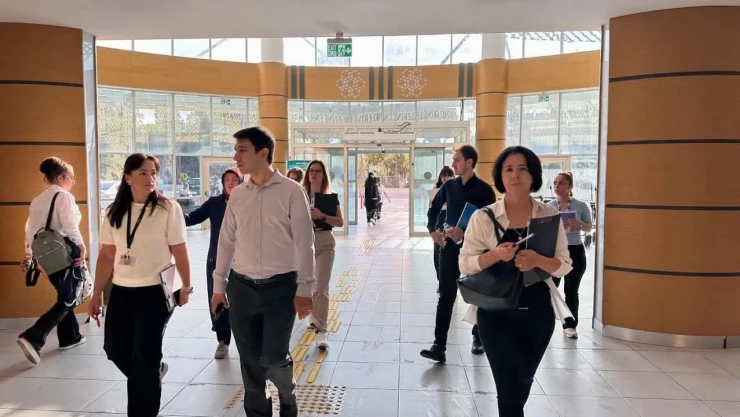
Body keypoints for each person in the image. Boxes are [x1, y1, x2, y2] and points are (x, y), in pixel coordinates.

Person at [460, 146, 572, 417]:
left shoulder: (549, 216)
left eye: (522, 169)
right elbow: (465, 264)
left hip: (538, 311)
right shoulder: (483, 217)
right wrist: (495, 255)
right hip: (495, 310)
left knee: (522, 380)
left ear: (533, 175)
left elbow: (564, 265)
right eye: (508, 169)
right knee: (507, 387)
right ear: (500, 176)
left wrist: (537, 260)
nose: (515, 175)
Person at [211, 127, 315, 417]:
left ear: (263, 153)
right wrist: (219, 287)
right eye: (236, 151)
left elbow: (305, 243)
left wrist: (305, 289)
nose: (236, 157)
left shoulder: (291, 191)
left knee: (273, 357)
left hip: (281, 288)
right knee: (249, 360)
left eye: (242, 150)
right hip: (241, 288)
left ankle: (287, 397)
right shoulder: (237, 195)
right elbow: (226, 241)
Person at [89, 153, 193, 417]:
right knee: (114, 349)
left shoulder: (168, 208)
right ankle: (151, 374)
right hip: (121, 291)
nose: (150, 178)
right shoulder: (114, 212)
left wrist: (186, 286)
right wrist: (96, 293)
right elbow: (106, 256)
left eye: (154, 173)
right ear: (128, 177)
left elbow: (179, 250)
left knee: (145, 356)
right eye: (143, 173)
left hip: (155, 292)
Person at [421, 145, 496, 362]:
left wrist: (466, 232)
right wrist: (433, 231)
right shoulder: (449, 186)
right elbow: (434, 209)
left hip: (476, 251)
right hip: (450, 248)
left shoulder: (485, 190)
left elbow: (492, 223)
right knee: (446, 295)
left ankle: (478, 337)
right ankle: (439, 345)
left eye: (457, 160)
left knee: (478, 294)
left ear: (469, 162)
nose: (453, 163)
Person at [17, 157, 87, 364]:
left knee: (65, 294)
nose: (74, 181)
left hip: (45, 255)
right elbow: (70, 226)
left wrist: (29, 255)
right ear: (61, 177)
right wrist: (82, 246)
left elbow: (30, 231)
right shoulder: (63, 196)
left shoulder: (37, 200)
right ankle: (33, 337)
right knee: (69, 297)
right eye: (72, 177)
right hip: (64, 252)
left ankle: (70, 337)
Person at [184, 167, 243, 358]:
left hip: (243, 261)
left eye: (235, 180)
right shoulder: (214, 203)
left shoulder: (248, 201)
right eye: (227, 180)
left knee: (241, 302)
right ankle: (223, 340)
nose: (230, 183)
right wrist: (171, 213)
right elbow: (191, 219)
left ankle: (245, 342)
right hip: (216, 260)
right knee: (217, 299)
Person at [302, 160, 343, 350]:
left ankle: (322, 330)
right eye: (311, 171)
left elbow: (340, 222)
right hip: (304, 242)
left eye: (318, 171)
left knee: (321, 287)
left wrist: (322, 216)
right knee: (306, 285)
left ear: (323, 175)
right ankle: (312, 318)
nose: (314, 174)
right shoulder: (299, 195)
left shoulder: (330, 198)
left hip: (325, 241)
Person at [549, 171, 592, 339]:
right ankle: (546, 323)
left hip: (575, 250)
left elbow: (589, 227)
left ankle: (570, 325)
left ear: (570, 186)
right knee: (550, 289)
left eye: (561, 183)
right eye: (555, 183)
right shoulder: (549, 206)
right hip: (555, 252)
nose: (557, 186)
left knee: (571, 290)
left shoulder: (581, 206)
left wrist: (580, 224)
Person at [430, 166, 454, 287]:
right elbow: (431, 206)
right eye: (443, 175)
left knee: (451, 248)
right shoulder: (436, 189)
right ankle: (440, 280)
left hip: (451, 219)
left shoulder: (456, 188)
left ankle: (449, 280)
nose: (445, 178)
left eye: (448, 175)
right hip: (439, 219)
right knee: (438, 248)